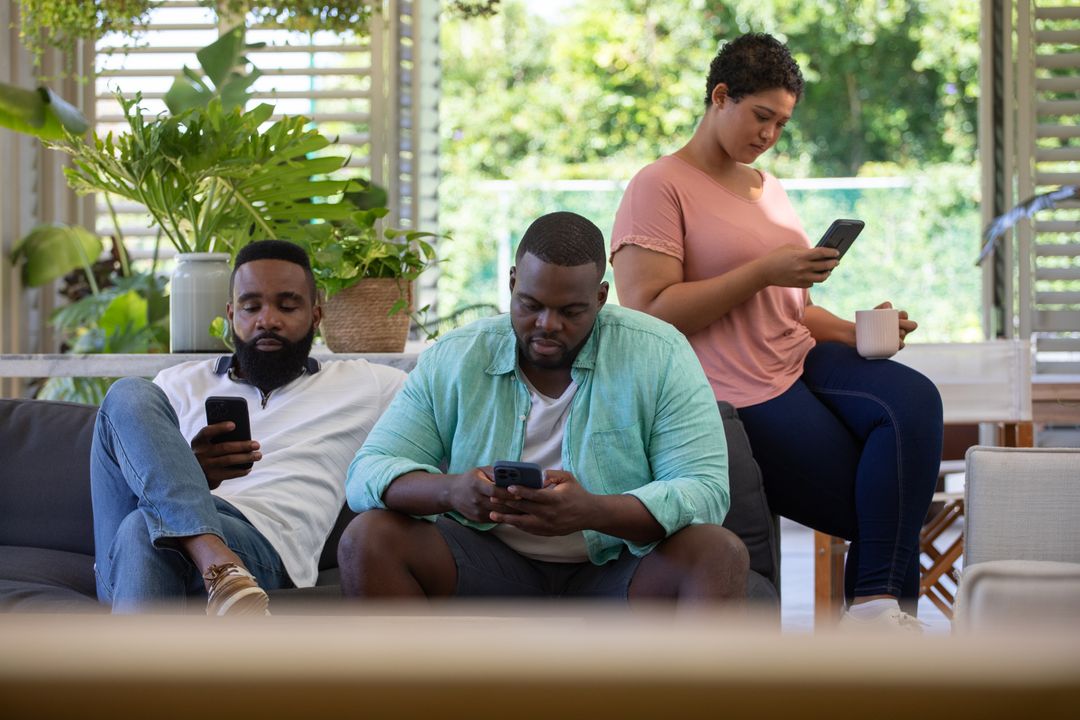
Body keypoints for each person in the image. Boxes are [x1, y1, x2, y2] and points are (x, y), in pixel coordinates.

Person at [610, 33, 943, 631]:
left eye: (782, 123)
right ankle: (880, 621)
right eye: (761, 116)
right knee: (880, 503)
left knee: (914, 400)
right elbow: (649, 314)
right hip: (734, 387)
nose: (770, 134)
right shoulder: (659, 185)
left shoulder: (770, 188)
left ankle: (873, 610)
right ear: (720, 97)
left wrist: (859, 330)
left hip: (799, 356)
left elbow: (791, 307)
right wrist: (762, 271)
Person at [338, 211, 748, 605]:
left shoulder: (659, 353)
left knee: (718, 550)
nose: (547, 324)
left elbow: (705, 491)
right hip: (487, 562)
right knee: (368, 536)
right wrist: (452, 491)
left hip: (619, 566)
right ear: (512, 282)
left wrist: (594, 511)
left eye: (571, 311)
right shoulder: (456, 356)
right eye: (531, 304)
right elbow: (366, 472)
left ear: (600, 297)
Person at [90, 240, 406, 614]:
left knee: (142, 528)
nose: (267, 320)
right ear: (231, 314)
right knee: (128, 392)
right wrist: (193, 472)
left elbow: (443, 394)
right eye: (251, 307)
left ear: (316, 315)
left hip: (259, 546)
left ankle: (216, 564)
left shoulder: (367, 384)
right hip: (127, 556)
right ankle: (219, 565)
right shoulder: (175, 383)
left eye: (287, 306)